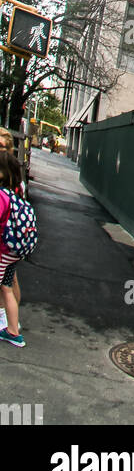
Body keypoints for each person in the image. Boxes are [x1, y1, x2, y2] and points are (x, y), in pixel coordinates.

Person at [0, 149, 27, 346]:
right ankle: (13, 329)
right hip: (13, 251)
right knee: (7, 287)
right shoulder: (17, 192)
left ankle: (13, 329)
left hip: (2, 250)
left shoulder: (2, 196)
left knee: (5, 288)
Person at [0, 130, 22, 333]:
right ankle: (13, 324)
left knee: (7, 284)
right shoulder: (16, 178)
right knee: (8, 282)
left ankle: (9, 323)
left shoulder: (5, 186)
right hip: (13, 246)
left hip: (4, 245)